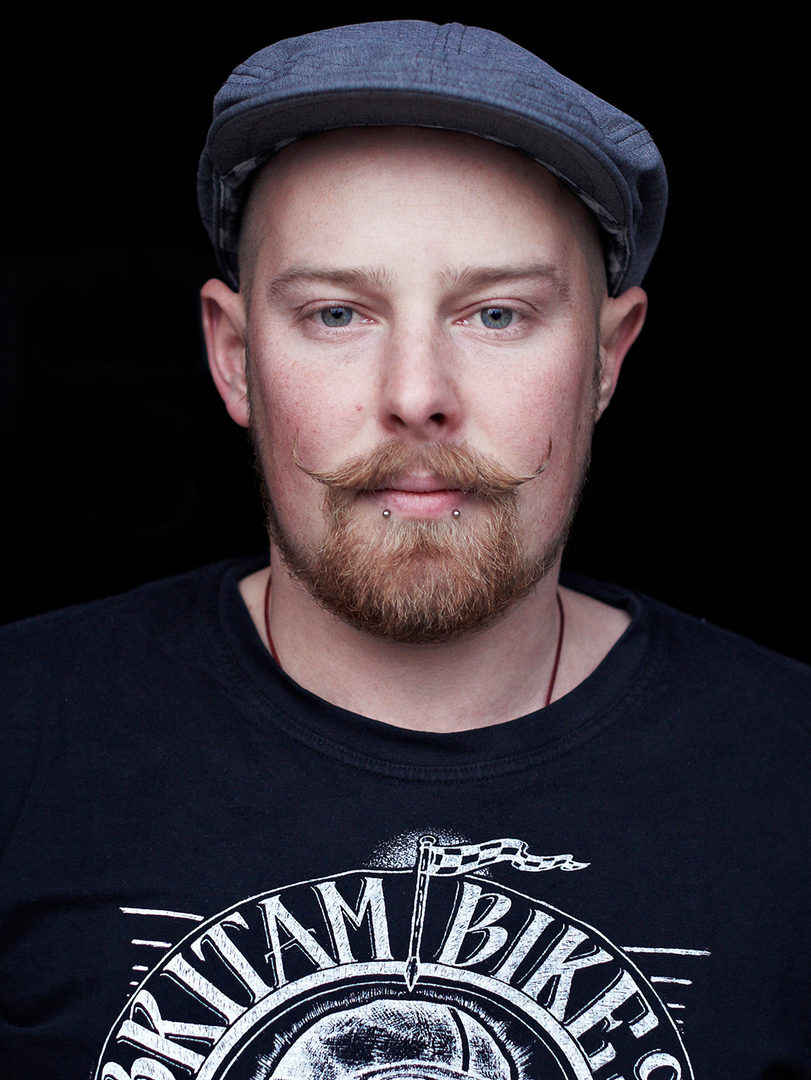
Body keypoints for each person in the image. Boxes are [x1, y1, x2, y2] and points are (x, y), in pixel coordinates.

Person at [0, 21, 808, 1080]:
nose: (416, 394)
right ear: (235, 358)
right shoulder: (23, 733)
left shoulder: (788, 777)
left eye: (496, 314)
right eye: (338, 313)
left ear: (606, 360)